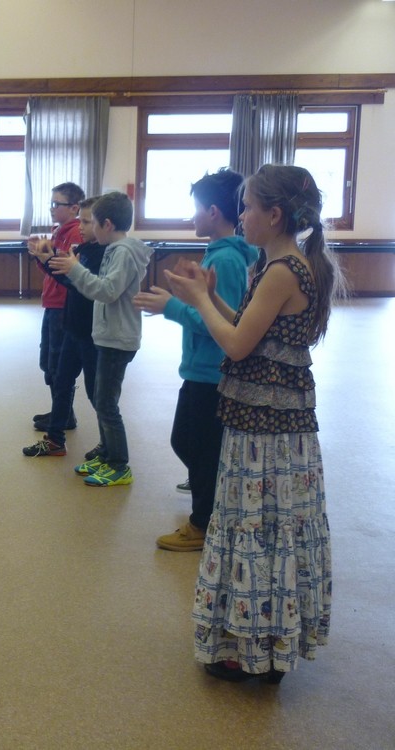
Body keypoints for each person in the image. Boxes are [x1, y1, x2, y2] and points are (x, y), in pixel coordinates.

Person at [165, 164, 340, 683]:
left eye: (246, 207)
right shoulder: (274, 265)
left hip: (271, 431)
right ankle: (253, 641)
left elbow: (238, 344)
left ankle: (257, 648)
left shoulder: (285, 269)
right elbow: (247, 328)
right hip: (262, 420)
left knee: (262, 531)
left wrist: (196, 300)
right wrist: (211, 296)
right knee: (258, 528)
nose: (240, 215)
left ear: (274, 214)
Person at [134, 169, 258, 551]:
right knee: (192, 443)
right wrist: (188, 294)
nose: (192, 217)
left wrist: (172, 306)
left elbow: (222, 320)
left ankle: (203, 522)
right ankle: (212, 493)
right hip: (202, 370)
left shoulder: (229, 259)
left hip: (212, 373)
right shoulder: (220, 253)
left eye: (196, 209)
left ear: (214, 211)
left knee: (194, 444)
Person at [50, 191, 153, 487]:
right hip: (108, 336)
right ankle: (107, 453)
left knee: (106, 404)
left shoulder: (122, 252)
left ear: (107, 224)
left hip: (118, 339)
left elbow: (107, 291)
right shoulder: (113, 249)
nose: (90, 229)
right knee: (102, 398)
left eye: (92, 222)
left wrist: (76, 269)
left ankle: (119, 464)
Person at [23, 196, 105, 458]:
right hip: (72, 327)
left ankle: (109, 443)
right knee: (61, 380)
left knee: (96, 393)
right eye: (80, 220)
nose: (81, 226)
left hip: (92, 334)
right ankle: (55, 439)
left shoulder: (105, 254)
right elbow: (68, 279)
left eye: (86, 221)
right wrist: (46, 259)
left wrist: (55, 264)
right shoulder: (82, 250)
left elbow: (83, 286)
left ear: (105, 224)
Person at [27, 182, 85, 435]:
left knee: (58, 364)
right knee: (48, 361)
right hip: (52, 303)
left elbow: (66, 270)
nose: (51, 209)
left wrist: (47, 256)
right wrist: (41, 257)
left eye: (56, 204)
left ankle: (64, 415)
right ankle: (61, 410)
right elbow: (50, 269)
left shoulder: (75, 234)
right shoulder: (58, 230)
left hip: (63, 305)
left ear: (74, 208)